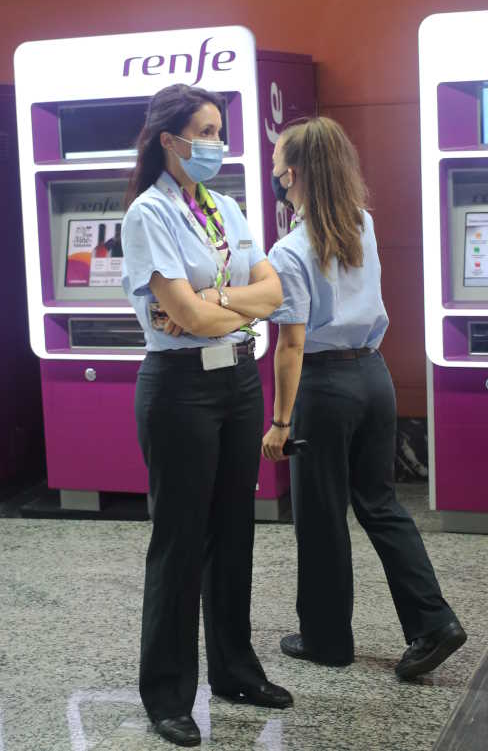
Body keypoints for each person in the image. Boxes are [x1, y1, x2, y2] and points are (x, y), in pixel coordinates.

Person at [260, 117, 466, 680]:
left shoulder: (289, 250)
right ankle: (434, 622)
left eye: (279, 163)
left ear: (293, 175)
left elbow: (291, 344)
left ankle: (327, 639)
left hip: (324, 388)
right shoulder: (362, 224)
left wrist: (280, 421)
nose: (275, 171)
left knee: (321, 516)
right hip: (374, 377)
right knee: (380, 503)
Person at [120, 84, 292, 747]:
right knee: (181, 542)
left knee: (234, 533)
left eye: (220, 130)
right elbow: (183, 317)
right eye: (205, 130)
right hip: (180, 390)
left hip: (237, 383)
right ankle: (167, 694)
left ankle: (234, 670)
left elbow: (272, 290)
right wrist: (233, 303)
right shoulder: (148, 214)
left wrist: (219, 298)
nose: (216, 143)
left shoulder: (224, 204)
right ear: (170, 139)